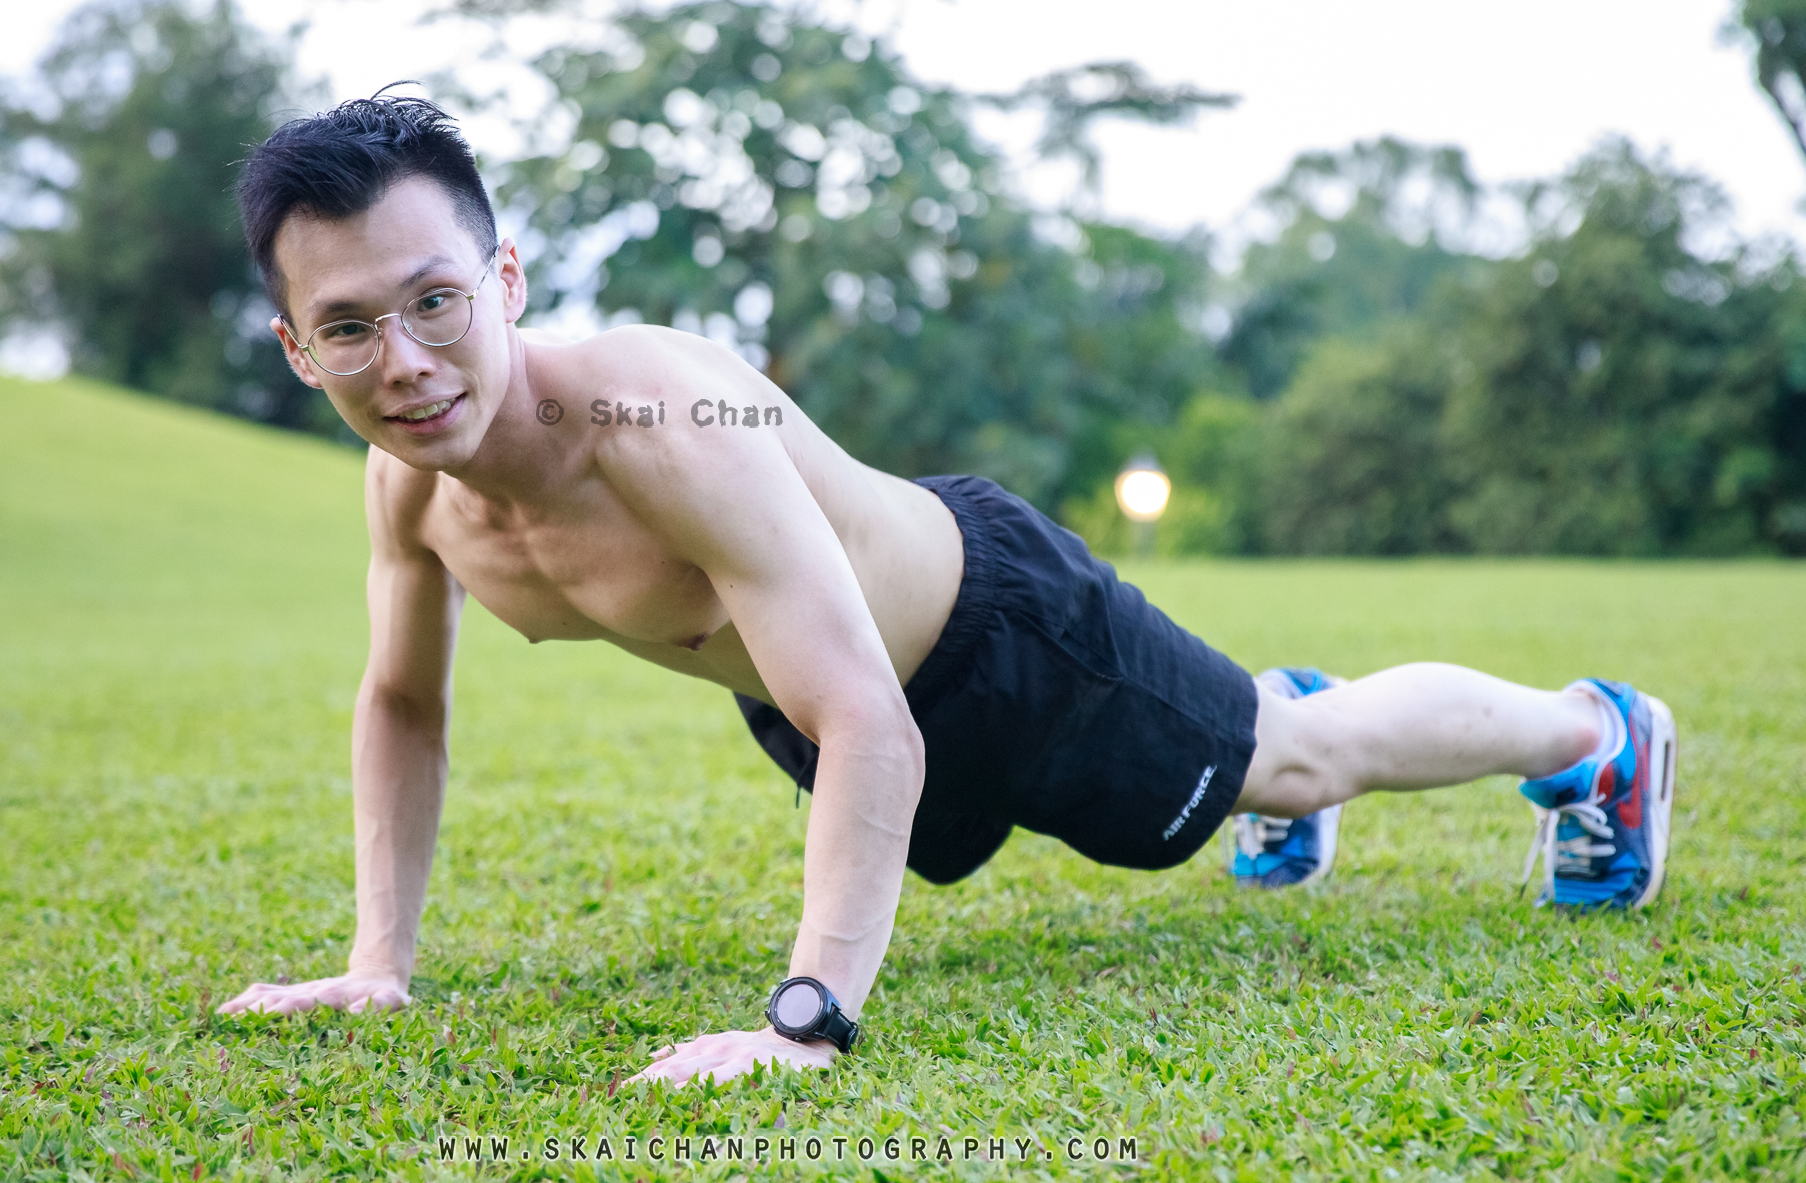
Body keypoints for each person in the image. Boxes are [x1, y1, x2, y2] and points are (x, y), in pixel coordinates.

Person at [213, 96, 1679, 1087]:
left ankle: (1594, 735)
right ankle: (1254, 715)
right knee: (1227, 757)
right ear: (297, 347)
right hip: (826, 699)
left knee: (1296, 759)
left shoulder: (661, 421)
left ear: (507, 282)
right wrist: (375, 965)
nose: (405, 363)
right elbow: (402, 703)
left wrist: (806, 1024)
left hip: (1003, 636)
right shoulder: (408, 484)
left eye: (435, 301)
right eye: (350, 327)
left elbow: (872, 716)